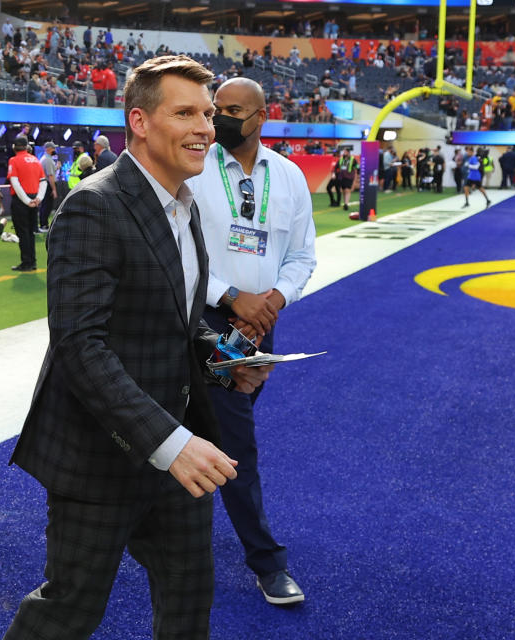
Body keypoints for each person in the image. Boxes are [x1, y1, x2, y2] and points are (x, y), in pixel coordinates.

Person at [4, 55, 270, 640]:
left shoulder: (186, 202)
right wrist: (171, 445)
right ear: (140, 121)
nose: (205, 126)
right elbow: (81, 347)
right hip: (103, 454)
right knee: (68, 611)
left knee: (188, 603)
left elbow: (174, 322)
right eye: (185, 113)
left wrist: (226, 359)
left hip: (177, 446)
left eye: (207, 112)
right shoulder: (94, 205)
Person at [187, 76, 316, 607]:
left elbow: (302, 256)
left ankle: (160, 519)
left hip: (262, 321)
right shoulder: (193, 170)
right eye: (217, 109)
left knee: (210, 423)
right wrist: (233, 296)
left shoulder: (287, 176)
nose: (220, 119)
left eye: (233, 110)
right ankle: (268, 561)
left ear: (262, 116)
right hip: (206, 318)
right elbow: (178, 247)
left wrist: (269, 303)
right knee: (234, 437)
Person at [6, 135, 46, 272]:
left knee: (23, 232)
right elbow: (43, 181)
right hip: (34, 199)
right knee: (30, 232)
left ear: (14, 146)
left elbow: (15, 182)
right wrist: (38, 198)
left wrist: (27, 201)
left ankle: (26, 262)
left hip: (21, 201)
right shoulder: (35, 160)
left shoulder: (13, 160)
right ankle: (32, 261)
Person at [38, 141, 58, 231]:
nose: (55, 149)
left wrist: (57, 167)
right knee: (47, 205)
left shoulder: (45, 158)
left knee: (45, 205)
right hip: (47, 185)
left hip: (44, 184)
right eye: (53, 148)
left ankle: (43, 224)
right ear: (49, 149)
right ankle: (44, 225)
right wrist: (54, 189)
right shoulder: (48, 160)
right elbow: (50, 176)